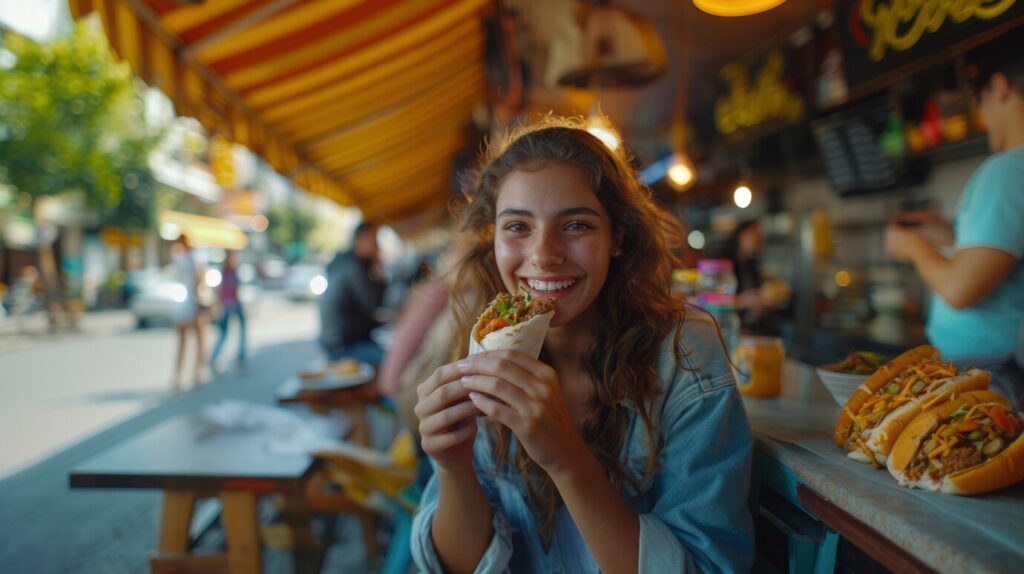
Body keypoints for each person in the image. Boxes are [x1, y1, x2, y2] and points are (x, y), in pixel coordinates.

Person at [411, 117, 754, 573]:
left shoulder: (683, 354)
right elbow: (458, 566)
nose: (544, 254)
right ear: (492, 238)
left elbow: (706, 566)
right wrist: (452, 468)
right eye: (517, 226)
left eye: (575, 225)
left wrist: (567, 458)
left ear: (619, 238)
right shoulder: (484, 345)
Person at [885, 34, 1024, 410]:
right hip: (994, 369)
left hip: (984, 372)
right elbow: (1001, 252)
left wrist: (913, 247)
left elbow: (960, 289)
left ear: (999, 87)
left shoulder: (1008, 170)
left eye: (980, 102)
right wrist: (947, 231)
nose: (983, 116)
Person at [319, 222, 387, 365]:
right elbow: (372, 306)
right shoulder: (352, 269)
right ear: (359, 240)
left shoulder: (344, 263)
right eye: (373, 240)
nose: (377, 247)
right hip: (344, 347)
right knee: (393, 361)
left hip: (341, 341)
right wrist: (378, 272)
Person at [725, 219, 789, 327]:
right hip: (728, 324)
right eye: (754, 234)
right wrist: (743, 300)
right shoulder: (722, 262)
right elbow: (711, 301)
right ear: (741, 235)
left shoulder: (750, 263)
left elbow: (757, 297)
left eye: (760, 235)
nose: (759, 239)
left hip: (748, 324)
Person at [169, 234, 206, 389]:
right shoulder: (184, 258)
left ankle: (193, 373)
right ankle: (188, 374)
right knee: (193, 340)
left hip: (191, 303)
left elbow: (199, 279)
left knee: (193, 340)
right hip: (187, 303)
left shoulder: (190, 259)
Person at [209, 251, 246, 375]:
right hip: (230, 303)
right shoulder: (228, 271)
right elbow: (230, 288)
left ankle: (240, 355)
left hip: (230, 302)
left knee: (228, 331)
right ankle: (216, 356)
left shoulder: (228, 271)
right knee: (225, 332)